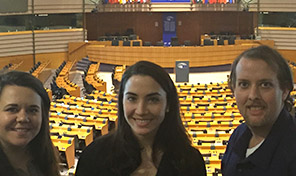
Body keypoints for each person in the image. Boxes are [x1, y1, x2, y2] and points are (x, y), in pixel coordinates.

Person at [221, 46, 296, 175]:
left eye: (265, 85)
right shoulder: (238, 136)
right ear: (233, 90)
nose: (253, 95)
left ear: (285, 90)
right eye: (244, 84)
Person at [75, 61, 206, 176]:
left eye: (153, 99)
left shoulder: (191, 162)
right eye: (132, 98)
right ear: (122, 102)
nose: (141, 110)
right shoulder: (94, 157)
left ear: (168, 104)